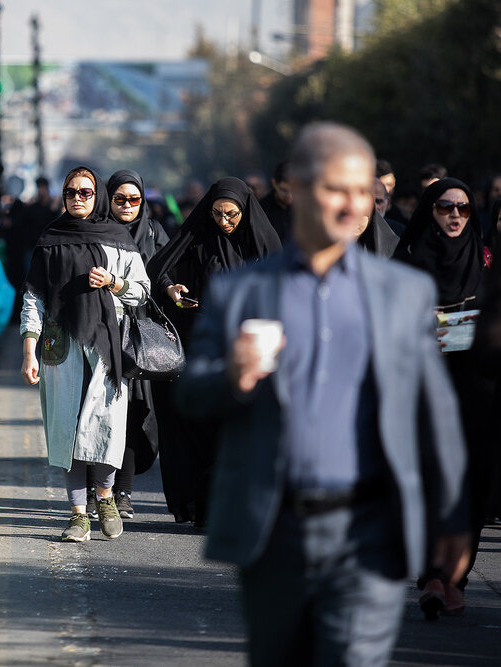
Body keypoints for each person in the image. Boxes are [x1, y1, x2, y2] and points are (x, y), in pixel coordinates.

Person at [176, 123, 469, 665]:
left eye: (363, 190)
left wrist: (451, 517)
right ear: (296, 189)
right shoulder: (241, 291)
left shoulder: (403, 293)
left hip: (369, 532)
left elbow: (437, 413)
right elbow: (190, 395)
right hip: (273, 531)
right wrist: (231, 377)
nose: (353, 203)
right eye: (337, 188)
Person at [20, 166, 150, 542]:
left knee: (107, 424)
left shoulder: (117, 238)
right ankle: (78, 514)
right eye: (71, 192)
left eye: (86, 192)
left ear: (98, 197)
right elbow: (34, 298)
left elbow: (142, 290)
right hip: (60, 349)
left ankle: (106, 498)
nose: (77, 198)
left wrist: (114, 282)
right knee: (67, 428)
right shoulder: (50, 240)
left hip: (106, 348)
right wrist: (29, 350)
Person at [147, 177, 281, 525]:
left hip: (247, 353)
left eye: (232, 215)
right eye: (218, 213)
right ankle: (204, 507)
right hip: (200, 350)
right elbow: (159, 270)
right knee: (202, 431)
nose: (224, 222)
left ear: (244, 211)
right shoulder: (196, 240)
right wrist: (171, 288)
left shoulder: (262, 245)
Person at [393, 177, 494, 618]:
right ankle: (431, 576)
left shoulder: (486, 263)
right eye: (445, 208)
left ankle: (457, 575)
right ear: (429, 213)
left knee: (471, 485)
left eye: (464, 209)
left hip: (477, 392)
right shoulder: (409, 266)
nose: (455, 216)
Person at [92, 169, 167, 520]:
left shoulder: (154, 233)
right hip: (103, 331)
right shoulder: (97, 231)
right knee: (100, 408)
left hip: (142, 336)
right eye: (119, 199)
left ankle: (123, 491)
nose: (126, 206)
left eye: (134, 199)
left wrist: (170, 290)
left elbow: (167, 271)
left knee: (136, 412)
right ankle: (98, 489)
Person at [259, 160, 293, 241]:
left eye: (293, 190)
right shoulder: (262, 209)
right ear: (274, 184)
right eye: (284, 190)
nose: (289, 195)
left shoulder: (305, 207)